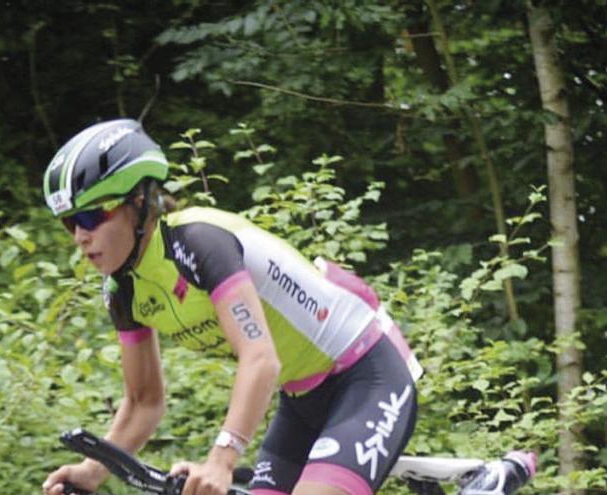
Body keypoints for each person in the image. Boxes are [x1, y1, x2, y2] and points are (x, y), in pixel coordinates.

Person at [40, 119, 422, 495]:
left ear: (138, 202)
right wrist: (93, 471)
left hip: (367, 376)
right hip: (300, 401)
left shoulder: (198, 242)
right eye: (70, 223)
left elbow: (260, 358)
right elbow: (144, 403)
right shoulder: (123, 289)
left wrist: (221, 461)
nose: (80, 237)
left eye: (91, 216)